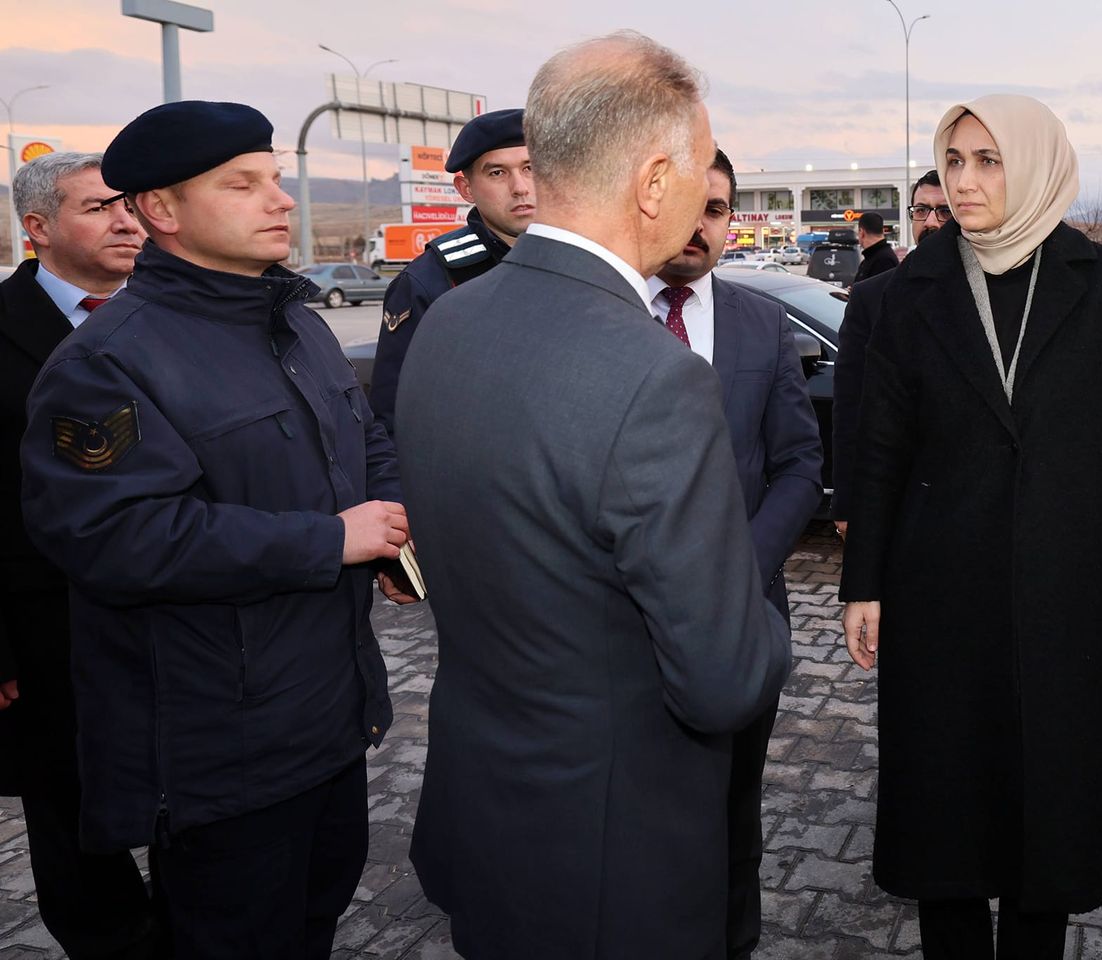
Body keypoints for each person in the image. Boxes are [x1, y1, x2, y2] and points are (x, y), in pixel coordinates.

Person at [398, 33, 793, 960]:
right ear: (654, 180)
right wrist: (758, 615)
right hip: (613, 855)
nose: (704, 195)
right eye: (699, 170)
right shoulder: (651, 375)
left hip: (489, 815)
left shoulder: (450, 319)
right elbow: (723, 677)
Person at [19, 101, 416, 960]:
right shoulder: (109, 359)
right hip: (219, 744)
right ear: (161, 211)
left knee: (311, 920)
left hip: (330, 712)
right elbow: (114, 537)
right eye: (244, 185)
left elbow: (365, 433)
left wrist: (389, 523)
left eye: (275, 178)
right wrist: (327, 541)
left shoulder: (295, 323)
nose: (280, 200)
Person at [837, 95, 1102, 960]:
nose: (964, 181)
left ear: (1032, 163)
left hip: (1066, 589)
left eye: (987, 160)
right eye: (953, 161)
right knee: (944, 810)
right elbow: (877, 447)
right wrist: (862, 583)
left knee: (1046, 811)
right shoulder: (910, 288)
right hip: (935, 592)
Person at [647, 146, 823, 959]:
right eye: (687, 204)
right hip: (623, 623)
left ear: (730, 224)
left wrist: (738, 571)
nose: (699, 224)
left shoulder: (760, 321)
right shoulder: (603, 314)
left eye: (715, 210)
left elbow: (797, 462)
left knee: (731, 807)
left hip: (744, 613)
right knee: (640, 818)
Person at [0, 151, 162, 958]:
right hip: (48, 623)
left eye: (128, 205)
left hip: (173, 605)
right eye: (99, 208)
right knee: (68, 801)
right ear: (38, 228)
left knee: (185, 782)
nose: (127, 220)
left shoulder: (173, 315)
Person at [368, 108, 533, 437]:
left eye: (531, 168)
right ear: (466, 188)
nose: (520, 187)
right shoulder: (429, 282)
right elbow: (396, 415)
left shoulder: (589, 260)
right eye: (497, 173)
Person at [831, 168, 946, 536]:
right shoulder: (872, 298)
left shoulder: (994, 296)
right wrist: (846, 501)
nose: (930, 222)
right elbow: (850, 405)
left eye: (944, 212)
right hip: (897, 499)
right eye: (921, 210)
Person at [852, 209, 898, 285]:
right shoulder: (880, 257)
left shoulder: (882, 260)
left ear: (862, 232)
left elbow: (876, 294)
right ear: (882, 231)